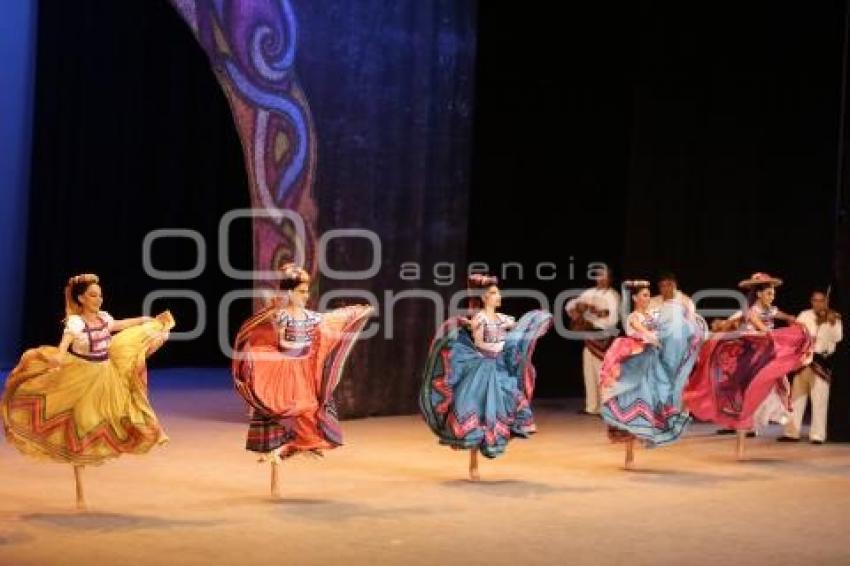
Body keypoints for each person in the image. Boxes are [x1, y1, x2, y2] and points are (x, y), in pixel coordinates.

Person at [1, 273, 174, 510]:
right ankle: (81, 493)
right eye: (93, 295)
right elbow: (65, 343)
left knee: (130, 396)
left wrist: (147, 320)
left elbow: (121, 324)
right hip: (82, 377)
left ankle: (151, 431)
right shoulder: (75, 323)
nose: (99, 299)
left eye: (100, 295)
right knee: (81, 428)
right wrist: (60, 355)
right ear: (81, 298)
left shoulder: (104, 317)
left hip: (107, 373)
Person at [232, 263, 373, 498]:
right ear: (289, 292)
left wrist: (357, 313)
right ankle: (276, 447)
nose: (306, 296)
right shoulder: (278, 317)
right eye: (301, 291)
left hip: (304, 372)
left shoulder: (313, 318)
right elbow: (256, 334)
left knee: (311, 409)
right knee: (276, 409)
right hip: (282, 372)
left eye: (307, 291)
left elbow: (333, 320)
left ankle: (293, 446)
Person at [420, 274, 552, 480]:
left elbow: (516, 326)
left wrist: (531, 326)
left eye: (497, 292)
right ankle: (473, 464)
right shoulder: (480, 319)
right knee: (476, 409)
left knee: (511, 400)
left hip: (499, 367)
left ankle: (500, 436)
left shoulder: (503, 318)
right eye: (492, 293)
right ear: (484, 297)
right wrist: (465, 324)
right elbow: (474, 330)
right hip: (481, 369)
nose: (497, 296)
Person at [683, 273, 812, 459]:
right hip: (750, 359)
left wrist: (797, 323)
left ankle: (751, 431)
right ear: (759, 294)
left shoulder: (772, 310)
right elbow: (764, 330)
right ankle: (740, 446)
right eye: (769, 293)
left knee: (770, 387)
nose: (772, 296)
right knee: (745, 398)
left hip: (765, 356)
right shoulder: (752, 312)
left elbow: (788, 317)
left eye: (773, 293)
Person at [599, 280, 705, 469]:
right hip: (637, 366)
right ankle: (629, 456)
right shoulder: (633, 317)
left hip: (652, 364)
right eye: (645, 295)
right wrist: (652, 336)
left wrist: (687, 320)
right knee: (633, 405)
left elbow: (668, 323)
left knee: (656, 402)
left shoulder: (654, 314)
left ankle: (642, 443)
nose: (648, 298)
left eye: (649, 295)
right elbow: (642, 331)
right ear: (635, 298)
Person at [778, 290, 842, 444]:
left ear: (826, 302)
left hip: (821, 363)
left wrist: (830, 323)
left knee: (819, 400)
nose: (818, 303)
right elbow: (796, 333)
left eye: (822, 300)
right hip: (803, 362)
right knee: (795, 399)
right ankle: (791, 433)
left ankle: (817, 436)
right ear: (811, 301)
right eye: (815, 300)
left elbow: (838, 337)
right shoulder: (805, 315)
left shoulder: (834, 317)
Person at [566, 266, 620, 415]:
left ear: (610, 278)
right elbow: (570, 305)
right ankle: (591, 407)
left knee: (602, 373)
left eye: (605, 276)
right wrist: (578, 310)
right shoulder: (589, 293)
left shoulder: (613, 295)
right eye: (598, 276)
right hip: (589, 336)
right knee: (588, 372)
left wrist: (592, 311)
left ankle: (606, 408)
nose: (601, 279)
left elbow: (611, 317)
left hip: (604, 336)